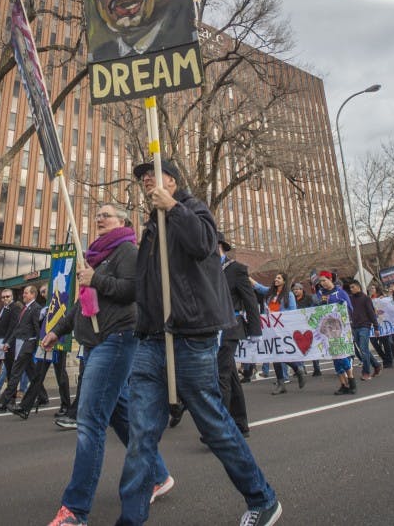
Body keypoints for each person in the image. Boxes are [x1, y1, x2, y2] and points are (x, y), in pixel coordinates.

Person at [117, 160, 281, 526]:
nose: (145, 180)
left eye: (153, 174)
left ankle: (262, 498)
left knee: (214, 425)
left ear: (172, 181)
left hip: (190, 337)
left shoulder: (192, 209)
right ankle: (130, 519)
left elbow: (204, 243)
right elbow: (143, 286)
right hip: (151, 341)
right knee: (141, 433)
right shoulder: (149, 229)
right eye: (142, 178)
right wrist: (97, 281)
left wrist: (173, 208)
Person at [43, 203, 172, 526]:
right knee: (121, 416)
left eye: (107, 214)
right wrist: (57, 331)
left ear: (122, 222)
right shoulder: (95, 257)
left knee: (89, 422)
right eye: (97, 214)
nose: (100, 218)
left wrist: (97, 278)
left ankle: (75, 509)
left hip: (116, 341)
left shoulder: (128, 250)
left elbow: (133, 291)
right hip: (93, 343)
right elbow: (82, 303)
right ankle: (158, 474)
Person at [218, 233, 261, 437]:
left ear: (219, 246)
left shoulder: (236, 269)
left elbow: (250, 300)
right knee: (230, 375)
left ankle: (221, 428)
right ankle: (240, 422)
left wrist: (255, 330)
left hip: (231, 327)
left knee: (221, 375)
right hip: (213, 329)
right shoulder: (206, 269)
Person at [0, 285, 45, 412]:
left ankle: (3, 402)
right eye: (24, 293)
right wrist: (9, 343)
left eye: (26, 293)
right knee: (32, 374)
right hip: (20, 343)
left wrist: (40, 344)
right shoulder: (26, 308)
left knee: (15, 372)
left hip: (28, 344)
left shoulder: (35, 308)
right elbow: (17, 328)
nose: (23, 295)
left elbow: (37, 329)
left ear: (33, 294)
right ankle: (43, 397)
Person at [251, 273, 303, 393]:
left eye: (279, 278)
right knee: (275, 355)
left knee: (280, 354)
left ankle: (296, 369)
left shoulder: (289, 295)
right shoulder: (270, 293)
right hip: (270, 328)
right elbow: (258, 287)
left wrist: (283, 320)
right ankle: (282, 383)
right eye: (275, 278)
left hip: (282, 328)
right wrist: (246, 276)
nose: (276, 279)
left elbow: (292, 311)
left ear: (284, 281)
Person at [316, 271, 356, 395]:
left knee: (343, 357)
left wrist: (341, 308)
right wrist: (321, 305)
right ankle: (343, 384)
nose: (322, 283)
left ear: (330, 279)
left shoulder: (340, 292)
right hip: (328, 330)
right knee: (335, 359)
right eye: (320, 281)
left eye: (324, 280)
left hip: (340, 330)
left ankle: (351, 380)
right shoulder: (320, 293)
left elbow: (349, 308)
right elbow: (318, 310)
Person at [39, 283, 72, 417]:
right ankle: (28, 403)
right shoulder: (44, 309)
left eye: (44, 291)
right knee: (39, 373)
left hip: (58, 343)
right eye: (41, 292)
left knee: (60, 375)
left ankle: (66, 405)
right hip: (45, 343)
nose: (43, 294)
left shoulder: (60, 302)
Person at [348, 280, 379, 382]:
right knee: (363, 349)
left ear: (358, 287)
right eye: (350, 287)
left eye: (353, 287)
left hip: (365, 326)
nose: (351, 289)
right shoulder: (350, 299)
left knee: (363, 349)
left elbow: (371, 313)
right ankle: (376, 364)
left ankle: (366, 372)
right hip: (354, 326)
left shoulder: (366, 298)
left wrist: (376, 327)